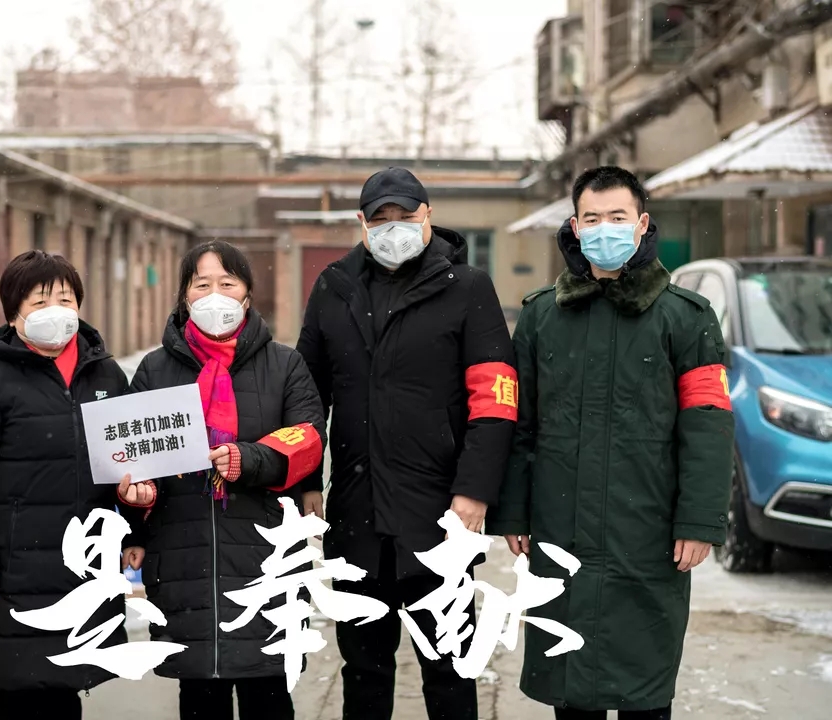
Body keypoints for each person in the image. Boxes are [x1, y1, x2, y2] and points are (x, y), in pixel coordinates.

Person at [492, 166, 735, 720]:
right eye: (593, 218)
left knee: (643, 691)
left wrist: (700, 520)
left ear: (642, 223)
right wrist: (513, 510)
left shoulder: (686, 318)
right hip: (561, 529)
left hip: (646, 533)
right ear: (576, 227)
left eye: (618, 217)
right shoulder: (541, 316)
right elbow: (520, 425)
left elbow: (708, 424)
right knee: (571, 690)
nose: (605, 228)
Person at [295, 167, 517, 720]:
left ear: (428, 216)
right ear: (362, 223)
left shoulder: (467, 288)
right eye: (381, 219)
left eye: (405, 216)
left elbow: (495, 399)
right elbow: (306, 397)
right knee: (363, 672)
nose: (393, 228)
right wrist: (306, 480)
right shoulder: (334, 288)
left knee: (449, 667)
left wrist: (474, 489)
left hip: (439, 515)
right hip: (357, 514)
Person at [0, 250, 153, 720]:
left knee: (65, 688)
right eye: (39, 302)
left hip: (84, 565)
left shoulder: (105, 375)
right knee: (20, 691)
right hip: (16, 570)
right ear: (13, 314)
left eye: (65, 299)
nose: (55, 311)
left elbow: (130, 465)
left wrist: (134, 528)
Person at [129, 240, 327, 720]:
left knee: (267, 692)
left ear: (247, 294)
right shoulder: (156, 369)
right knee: (200, 695)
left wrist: (248, 459)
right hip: (184, 556)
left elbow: (307, 438)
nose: (214, 295)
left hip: (265, 555)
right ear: (184, 295)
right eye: (202, 284)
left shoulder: (284, 364)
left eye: (227, 283)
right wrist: (139, 497)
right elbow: (135, 455)